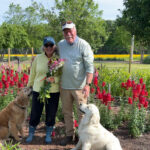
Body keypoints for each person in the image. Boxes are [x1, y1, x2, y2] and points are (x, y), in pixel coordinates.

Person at [58, 21, 94, 146]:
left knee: (82, 114)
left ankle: (82, 137)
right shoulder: (61, 45)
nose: (68, 34)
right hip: (64, 86)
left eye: (70, 31)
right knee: (67, 113)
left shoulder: (83, 45)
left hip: (80, 87)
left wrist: (88, 84)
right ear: (63, 33)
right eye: (65, 31)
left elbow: (90, 67)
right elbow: (51, 54)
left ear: (75, 30)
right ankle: (69, 135)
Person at [26, 37, 60, 144]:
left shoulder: (58, 59)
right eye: (46, 45)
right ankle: (31, 133)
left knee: (51, 113)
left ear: (54, 46)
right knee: (35, 112)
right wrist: (29, 86)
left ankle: (48, 133)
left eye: (51, 45)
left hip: (53, 91)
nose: (49, 47)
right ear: (43, 47)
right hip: (38, 89)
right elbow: (33, 73)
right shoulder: (38, 58)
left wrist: (54, 79)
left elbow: (62, 76)